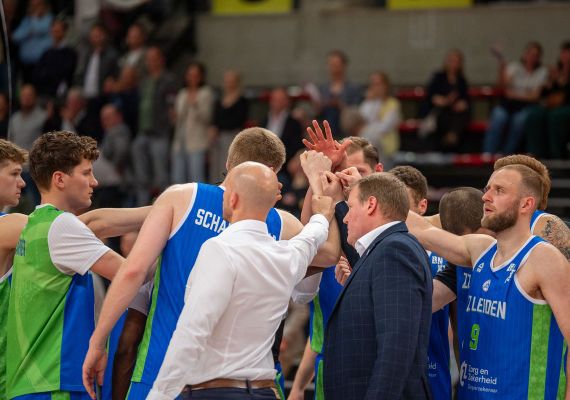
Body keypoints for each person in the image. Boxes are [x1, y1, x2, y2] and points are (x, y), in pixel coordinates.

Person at [82, 127, 341, 400]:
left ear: (228, 163)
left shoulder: (182, 198)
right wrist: (323, 181)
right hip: (242, 383)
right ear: (272, 176)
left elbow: (126, 262)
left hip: (161, 371)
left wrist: (97, 342)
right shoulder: (281, 224)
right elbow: (327, 250)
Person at [144, 162, 334, 399]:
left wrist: (159, 394)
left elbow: (193, 330)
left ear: (233, 199)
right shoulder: (285, 255)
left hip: (216, 392)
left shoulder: (219, 249)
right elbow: (311, 238)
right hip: (264, 391)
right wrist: (322, 215)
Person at [406, 164, 570, 398]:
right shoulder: (480, 249)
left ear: (526, 204)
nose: (486, 197)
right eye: (487, 189)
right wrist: (363, 186)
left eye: (499, 190)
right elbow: (421, 229)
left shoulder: (543, 257)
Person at [5, 131, 134, 400]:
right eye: (86, 173)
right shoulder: (58, 226)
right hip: (57, 380)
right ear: (60, 179)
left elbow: (96, 223)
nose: (95, 181)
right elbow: (132, 274)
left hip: (30, 381)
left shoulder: (37, 226)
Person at [322, 173, 433, 399]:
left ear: (371, 204)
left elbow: (396, 346)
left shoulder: (395, 250)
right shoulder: (385, 249)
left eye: (350, 208)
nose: (346, 218)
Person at [288, 136, 383, 400]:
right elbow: (319, 334)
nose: (348, 179)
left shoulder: (392, 236)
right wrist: (298, 387)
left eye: (359, 172)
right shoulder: (330, 236)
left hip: (375, 368)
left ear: (378, 172)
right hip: (331, 367)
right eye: (340, 172)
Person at [131, 46, 177, 205]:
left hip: (159, 131)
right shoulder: (144, 81)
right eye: (149, 59)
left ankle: (164, 207)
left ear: (161, 60)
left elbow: (171, 106)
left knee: (161, 174)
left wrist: (169, 126)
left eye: (154, 58)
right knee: (141, 174)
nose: (151, 62)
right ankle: (142, 207)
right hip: (143, 131)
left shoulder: (168, 80)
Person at [483, 42, 548, 155]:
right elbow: (504, 87)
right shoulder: (514, 67)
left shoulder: (541, 72)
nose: (531, 57)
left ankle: (506, 154)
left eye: (535, 55)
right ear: (524, 54)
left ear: (539, 57)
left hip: (526, 107)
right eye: (529, 54)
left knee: (519, 121)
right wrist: (502, 63)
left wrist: (514, 94)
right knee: (498, 116)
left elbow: (535, 96)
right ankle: (488, 153)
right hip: (508, 104)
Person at [0, 140, 27, 400]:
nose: (22, 183)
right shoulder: (8, 227)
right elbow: (88, 225)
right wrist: (158, 212)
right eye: (14, 174)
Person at [524, 40, 570, 159]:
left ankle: (556, 156)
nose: (564, 56)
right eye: (563, 53)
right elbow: (547, 93)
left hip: (566, 106)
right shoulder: (556, 71)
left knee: (556, 116)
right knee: (535, 114)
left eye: (567, 53)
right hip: (554, 105)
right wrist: (550, 83)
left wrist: (564, 82)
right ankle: (535, 154)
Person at [171, 62, 214, 184]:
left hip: (197, 142)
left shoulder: (205, 93)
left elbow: (207, 118)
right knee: (178, 178)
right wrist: (174, 115)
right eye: (190, 75)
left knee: (196, 177)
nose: (192, 78)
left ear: (201, 77)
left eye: (196, 75)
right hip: (180, 140)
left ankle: (199, 198)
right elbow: (178, 117)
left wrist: (195, 105)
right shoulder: (182, 93)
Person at [422, 49, 470, 152]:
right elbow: (431, 97)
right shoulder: (438, 77)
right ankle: (449, 139)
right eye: (451, 61)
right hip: (441, 111)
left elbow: (466, 100)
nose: (453, 64)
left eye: (456, 61)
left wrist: (462, 104)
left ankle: (452, 136)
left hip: (456, 113)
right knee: (445, 117)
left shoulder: (462, 80)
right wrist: (445, 101)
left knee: (462, 115)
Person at [208, 69, 249, 183]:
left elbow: (238, 120)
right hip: (218, 137)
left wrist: (218, 127)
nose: (228, 84)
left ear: (237, 82)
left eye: (231, 81)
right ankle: (215, 189)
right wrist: (213, 128)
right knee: (215, 167)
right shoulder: (219, 100)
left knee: (226, 165)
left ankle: (227, 188)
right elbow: (215, 117)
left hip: (231, 136)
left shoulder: (242, 101)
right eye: (226, 81)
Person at [314, 50, 361, 138]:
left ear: (344, 66)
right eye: (331, 65)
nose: (334, 68)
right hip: (325, 121)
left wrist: (340, 105)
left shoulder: (353, 88)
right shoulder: (323, 88)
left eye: (336, 65)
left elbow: (357, 110)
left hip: (345, 126)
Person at [359, 71, 401, 159]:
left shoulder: (393, 104)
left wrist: (368, 128)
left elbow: (384, 128)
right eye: (373, 84)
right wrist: (370, 101)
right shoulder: (369, 103)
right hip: (369, 146)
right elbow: (361, 120)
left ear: (386, 86)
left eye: (379, 84)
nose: (376, 88)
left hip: (386, 149)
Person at [34, 18, 78, 99]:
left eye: (58, 31)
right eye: (54, 30)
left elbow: (67, 73)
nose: (55, 33)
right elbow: (38, 72)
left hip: (61, 93)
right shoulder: (46, 53)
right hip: (44, 92)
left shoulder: (70, 53)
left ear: (64, 32)